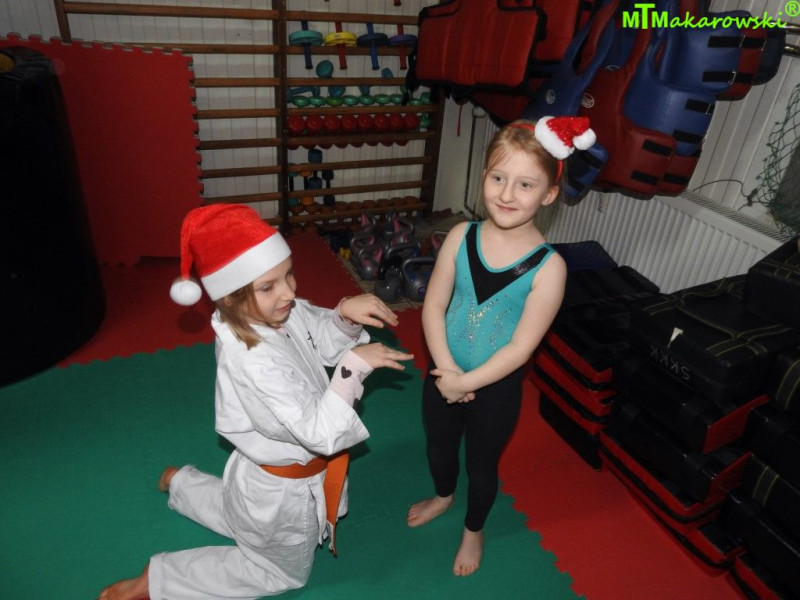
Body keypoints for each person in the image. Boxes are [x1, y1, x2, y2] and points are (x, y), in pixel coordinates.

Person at [99, 204, 413, 600]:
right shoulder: (252, 359)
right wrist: (353, 369)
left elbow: (319, 337)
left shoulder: (273, 313)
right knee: (279, 571)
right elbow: (320, 433)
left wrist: (344, 317)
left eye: (289, 274)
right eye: (269, 286)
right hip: (284, 491)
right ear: (231, 297)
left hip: (257, 478)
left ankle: (181, 484)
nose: (289, 292)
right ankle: (161, 579)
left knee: (241, 515)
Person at [407, 117, 595, 576]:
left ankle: (474, 529)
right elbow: (433, 307)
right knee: (438, 448)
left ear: (549, 194)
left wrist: (467, 383)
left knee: (482, 466)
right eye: (498, 178)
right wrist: (448, 372)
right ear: (484, 177)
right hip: (443, 374)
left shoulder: (549, 268)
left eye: (525, 184)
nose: (507, 194)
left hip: (495, 389)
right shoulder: (460, 237)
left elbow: (520, 349)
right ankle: (443, 495)